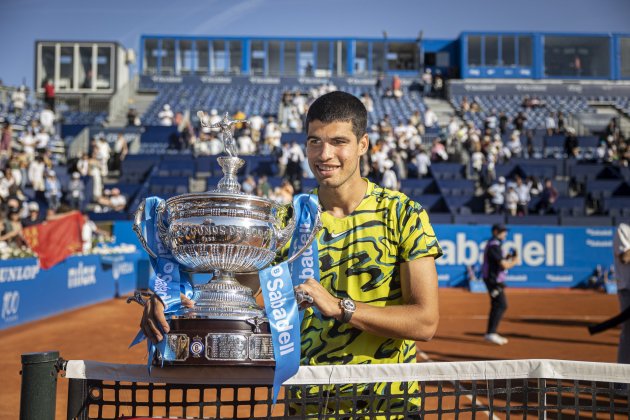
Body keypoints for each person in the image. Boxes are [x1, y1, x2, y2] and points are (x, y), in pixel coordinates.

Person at [139, 91, 442, 416]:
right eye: (315, 141)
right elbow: (235, 289)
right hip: (307, 406)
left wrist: (341, 308)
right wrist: (172, 302)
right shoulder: (287, 220)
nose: (325, 154)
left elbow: (424, 322)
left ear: (363, 145)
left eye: (339, 141)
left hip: (390, 407)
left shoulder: (404, 214)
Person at [481, 224, 520, 345]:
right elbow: (504, 265)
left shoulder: (496, 245)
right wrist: (515, 260)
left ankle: (491, 333)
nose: (505, 234)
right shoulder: (494, 245)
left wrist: (508, 257)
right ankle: (491, 333)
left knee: (498, 304)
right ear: (495, 232)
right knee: (501, 304)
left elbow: (499, 262)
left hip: (494, 280)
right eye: (503, 231)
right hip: (493, 281)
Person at [613, 222, 630, 364]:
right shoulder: (623, 229)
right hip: (627, 290)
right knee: (629, 334)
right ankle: (621, 382)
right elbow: (625, 257)